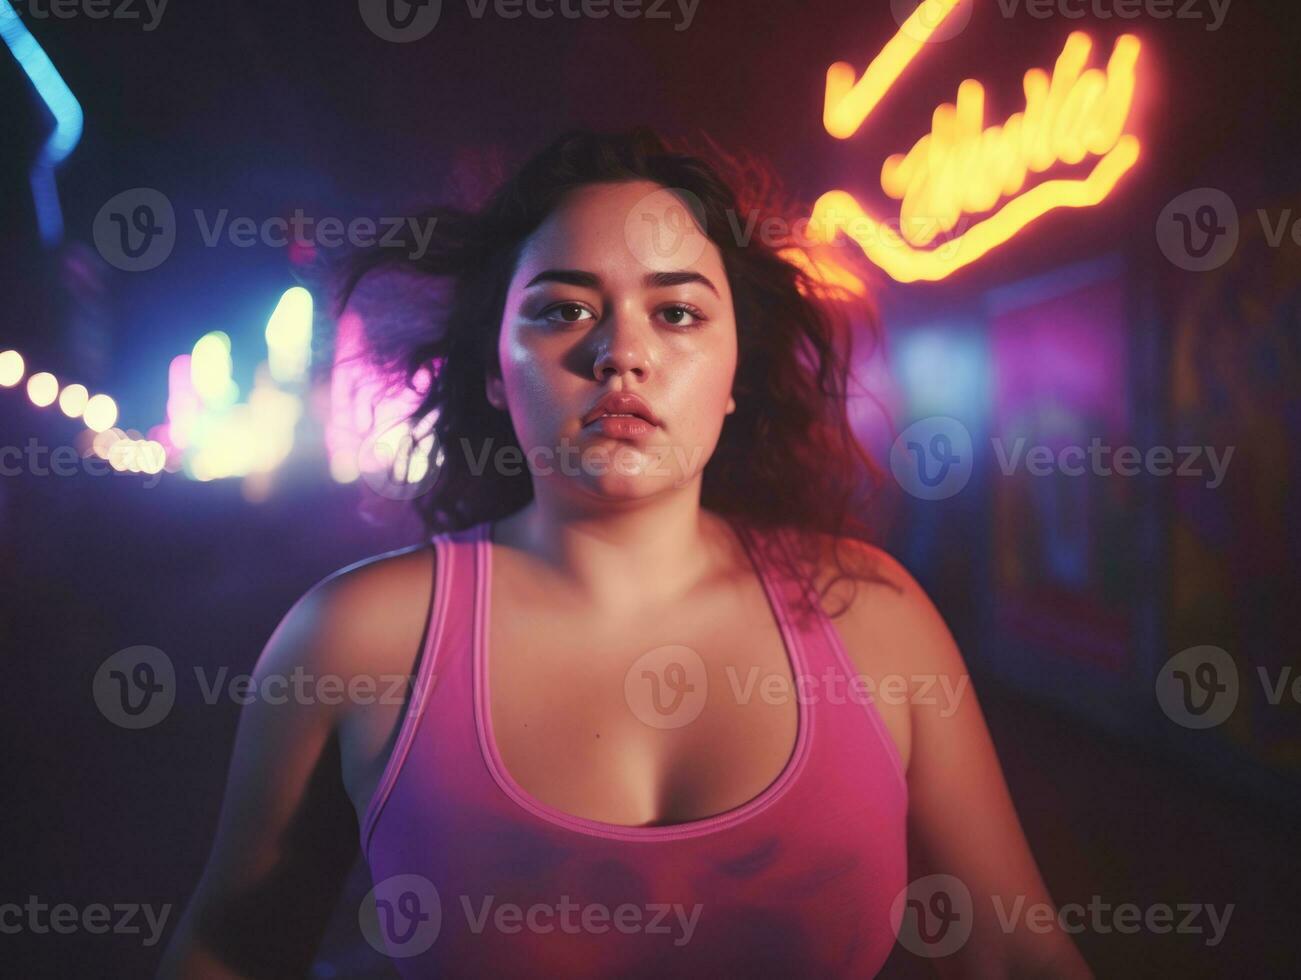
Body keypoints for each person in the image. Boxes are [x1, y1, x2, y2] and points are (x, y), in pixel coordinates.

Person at [158, 128, 1091, 978]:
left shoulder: (873, 615)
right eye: (563, 309)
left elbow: (1010, 952)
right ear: (491, 370)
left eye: (678, 314)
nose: (620, 354)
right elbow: (230, 950)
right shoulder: (355, 642)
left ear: (737, 374)